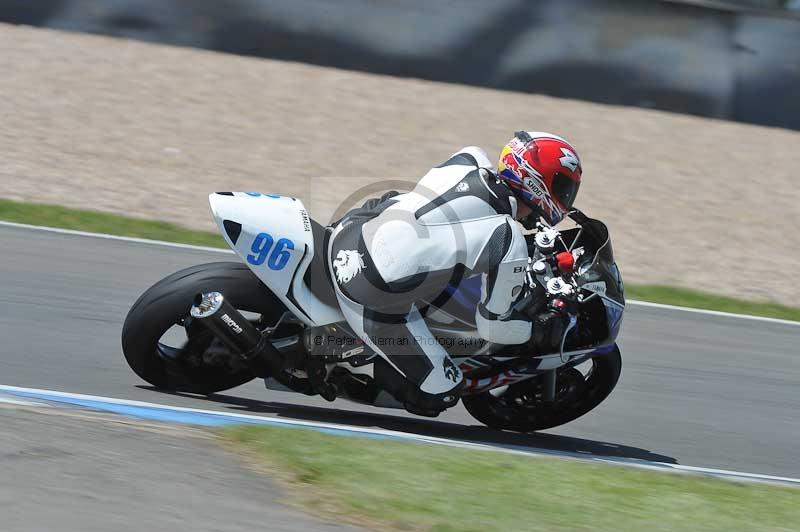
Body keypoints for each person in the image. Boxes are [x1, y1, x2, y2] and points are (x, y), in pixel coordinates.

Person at [327, 131, 583, 416]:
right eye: (562, 187)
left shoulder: (470, 158)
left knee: (400, 202)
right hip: (367, 293)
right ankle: (338, 379)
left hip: (349, 231)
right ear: (537, 182)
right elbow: (492, 327)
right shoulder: (507, 237)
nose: (565, 197)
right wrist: (539, 328)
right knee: (443, 392)